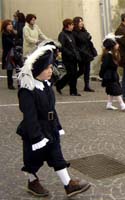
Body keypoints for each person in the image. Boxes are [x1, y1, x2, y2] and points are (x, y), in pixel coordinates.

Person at [16, 44, 91, 197]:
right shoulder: (27, 90)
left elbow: (52, 109)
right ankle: (32, 180)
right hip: (35, 131)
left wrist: (57, 126)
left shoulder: (46, 84)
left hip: (50, 127)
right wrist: (37, 137)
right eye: (47, 68)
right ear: (37, 70)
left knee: (56, 154)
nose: (51, 70)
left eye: (51, 67)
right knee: (32, 159)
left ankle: (68, 184)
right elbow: (30, 116)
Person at [99, 33, 125, 111]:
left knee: (111, 90)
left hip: (113, 75)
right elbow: (104, 66)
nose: (118, 45)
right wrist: (101, 74)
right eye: (116, 43)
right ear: (112, 46)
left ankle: (109, 104)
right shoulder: (108, 56)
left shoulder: (113, 54)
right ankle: (122, 104)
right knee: (116, 90)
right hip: (109, 76)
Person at [55, 18, 81, 96]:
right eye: (71, 25)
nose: (73, 26)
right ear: (67, 25)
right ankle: (60, 85)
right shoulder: (62, 34)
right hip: (67, 58)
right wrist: (69, 53)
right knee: (70, 73)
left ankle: (73, 91)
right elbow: (61, 46)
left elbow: (74, 46)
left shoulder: (72, 34)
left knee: (74, 74)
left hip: (74, 57)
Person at [73, 16, 97, 92]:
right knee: (81, 70)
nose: (82, 23)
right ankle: (71, 80)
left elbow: (89, 39)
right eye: (80, 22)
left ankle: (87, 85)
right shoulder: (74, 33)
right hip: (81, 53)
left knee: (87, 70)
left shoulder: (84, 31)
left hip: (87, 53)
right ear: (76, 23)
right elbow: (81, 40)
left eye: (82, 21)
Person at [1, 19, 17, 89]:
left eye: (11, 24)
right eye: (9, 24)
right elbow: (12, 43)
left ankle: (19, 83)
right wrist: (14, 41)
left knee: (17, 68)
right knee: (9, 70)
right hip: (8, 53)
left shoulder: (12, 33)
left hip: (14, 52)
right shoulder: (5, 34)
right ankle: (10, 84)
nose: (11, 26)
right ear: (5, 26)